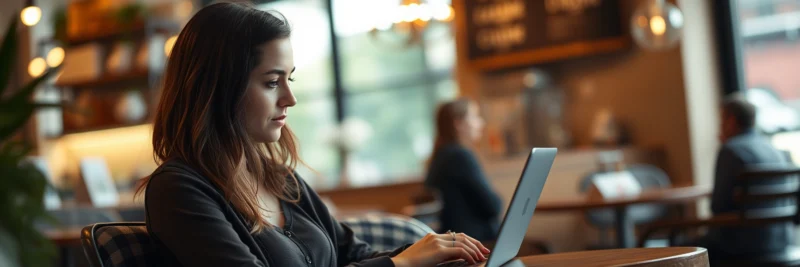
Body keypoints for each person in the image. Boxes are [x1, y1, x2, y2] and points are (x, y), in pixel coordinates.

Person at [137, 3, 488, 267]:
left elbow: (354, 253)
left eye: (289, 79)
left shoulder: (279, 179)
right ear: (215, 89)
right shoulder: (178, 190)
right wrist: (401, 264)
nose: (289, 99)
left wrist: (436, 255)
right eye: (271, 82)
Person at [683, 94, 793, 258]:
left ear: (731, 121)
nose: (719, 127)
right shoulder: (772, 148)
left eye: (721, 121)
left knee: (679, 245)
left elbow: (718, 207)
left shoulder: (731, 150)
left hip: (740, 246)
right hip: (780, 242)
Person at [424, 98, 504, 242]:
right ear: (458, 123)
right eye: (475, 117)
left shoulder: (440, 156)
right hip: (474, 244)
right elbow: (493, 206)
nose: (481, 123)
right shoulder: (460, 156)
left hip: (457, 241)